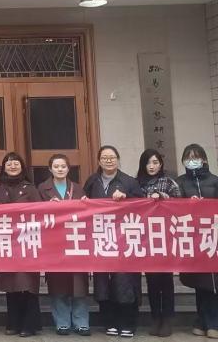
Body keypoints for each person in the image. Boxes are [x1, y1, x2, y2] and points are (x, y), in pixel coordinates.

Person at [83, 145, 144, 339]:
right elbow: (83, 206)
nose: (108, 161)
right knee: (103, 283)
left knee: (125, 282)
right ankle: (109, 321)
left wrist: (127, 198)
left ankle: (127, 323)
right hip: (101, 238)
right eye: (104, 158)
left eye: (112, 157)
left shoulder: (129, 181)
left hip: (124, 239)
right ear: (99, 161)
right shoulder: (92, 181)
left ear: (118, 159)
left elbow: (142, 206)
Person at [176, 144, 218, 340]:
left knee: (216, 283)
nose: (192, 161)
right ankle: (202, 320)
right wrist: (187, 205)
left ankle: (217, 323)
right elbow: (173, 208)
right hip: (192, 239)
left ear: (204, 159)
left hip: (215, 238)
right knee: (200, 283)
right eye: (188, 158)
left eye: (196, 157)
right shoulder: (180, 182)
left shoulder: (217, 183)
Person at [0, 152, 42, 338]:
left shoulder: (31, 188)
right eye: (9, 163)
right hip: (6, 241)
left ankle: (29, 324)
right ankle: (13, 323)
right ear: (3, 167)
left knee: (27, 285)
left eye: (16, 163)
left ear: (22, 166)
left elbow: (39, 212)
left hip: (27, 241)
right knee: (10, 285)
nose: (12, 166)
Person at [37, 154, 89, 337]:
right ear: (50, 169)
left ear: (68, 169)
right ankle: (62, 323)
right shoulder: (42, 188)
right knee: (58, 284)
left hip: (76, 240)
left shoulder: (78, 188)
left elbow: (88, 213)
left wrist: (86, 205)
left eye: (63, 166)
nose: (60, 169)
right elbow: (35, 213)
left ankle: (81, 323)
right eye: (56, 166)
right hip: (54, 242)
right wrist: (47, 206)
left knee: (78, 285)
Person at [135, 149, 180, 338]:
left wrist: (163, 197)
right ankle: (155, 317)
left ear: (161, 164)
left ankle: (167, 319)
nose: (152, 166)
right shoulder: (136, 183)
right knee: (152, 280)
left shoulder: (169, 183)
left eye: (155, 162)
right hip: (145, 238)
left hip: (165, 237)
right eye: (148, 162)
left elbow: (181, 204)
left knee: (166, 280)